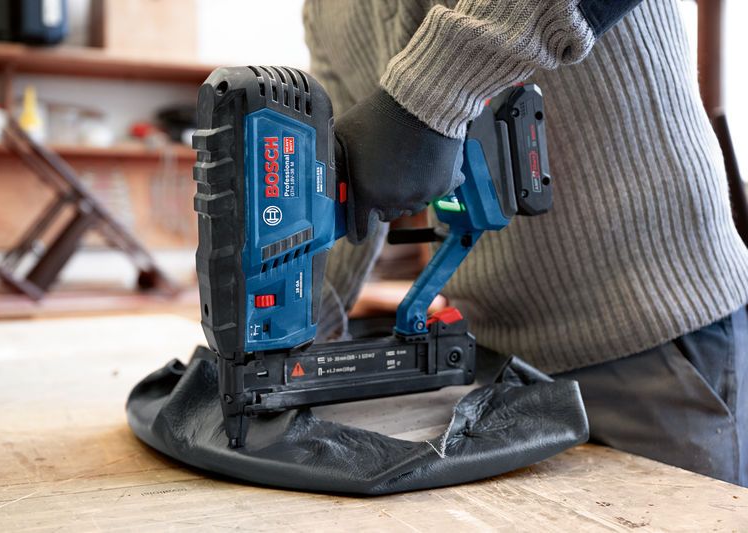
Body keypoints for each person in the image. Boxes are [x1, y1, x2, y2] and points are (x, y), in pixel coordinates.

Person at [304, 0, 748, 486]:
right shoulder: (322, 10)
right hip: (491, 365)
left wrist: (429, 95)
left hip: (653, 332)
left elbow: (415, 112)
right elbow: (344, 186)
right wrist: (291, 333)